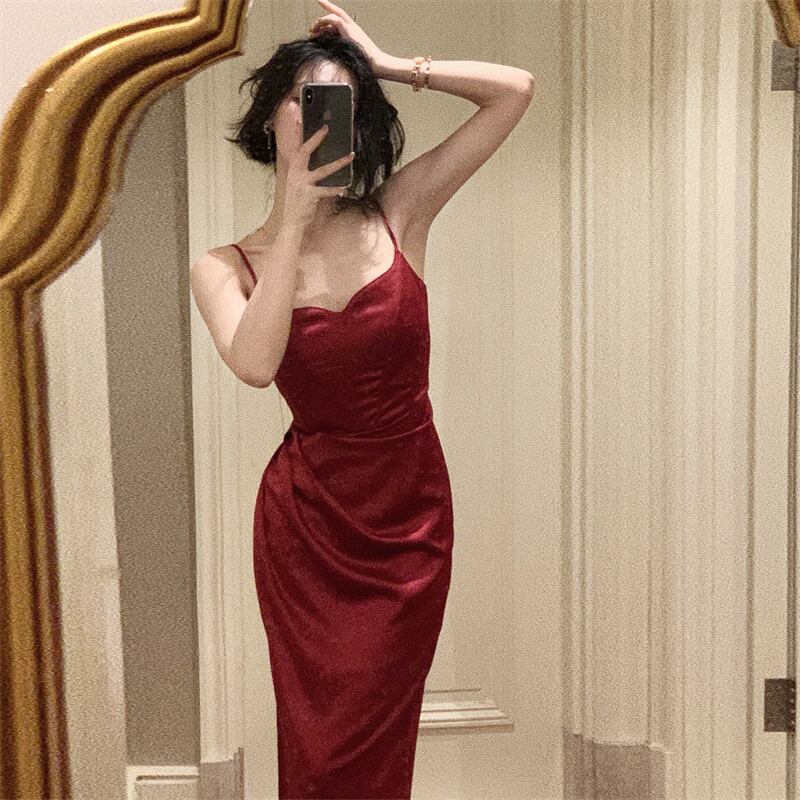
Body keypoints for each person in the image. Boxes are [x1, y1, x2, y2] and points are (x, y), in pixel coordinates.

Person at [190, 2, 533, 796]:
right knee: (318, 735)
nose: (320, 118)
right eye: (306, 99)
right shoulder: (225, 265)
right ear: (270, 116)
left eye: (339, 104)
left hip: (408, 520)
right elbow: (255, 364)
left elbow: (513, 91)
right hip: (309, 526)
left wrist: (385, 63)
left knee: (380, 726)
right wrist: (293, 223)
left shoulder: (399, 212)